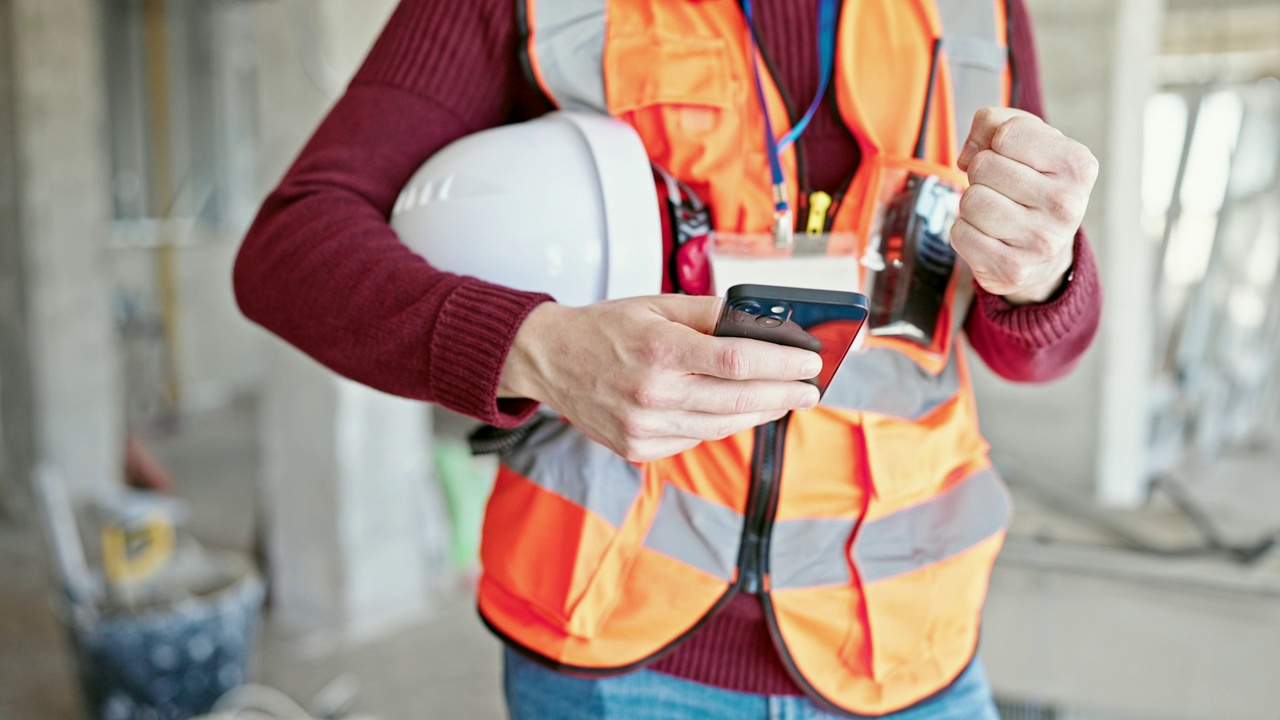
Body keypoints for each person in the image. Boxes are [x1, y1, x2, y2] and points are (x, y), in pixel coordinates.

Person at [234, 0, 1102, 717]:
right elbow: (294, 244)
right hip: (617, 646)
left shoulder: (978, 13)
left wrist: (1046, 273)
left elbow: (1031, 354)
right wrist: (532, 350)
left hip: (908, 638)